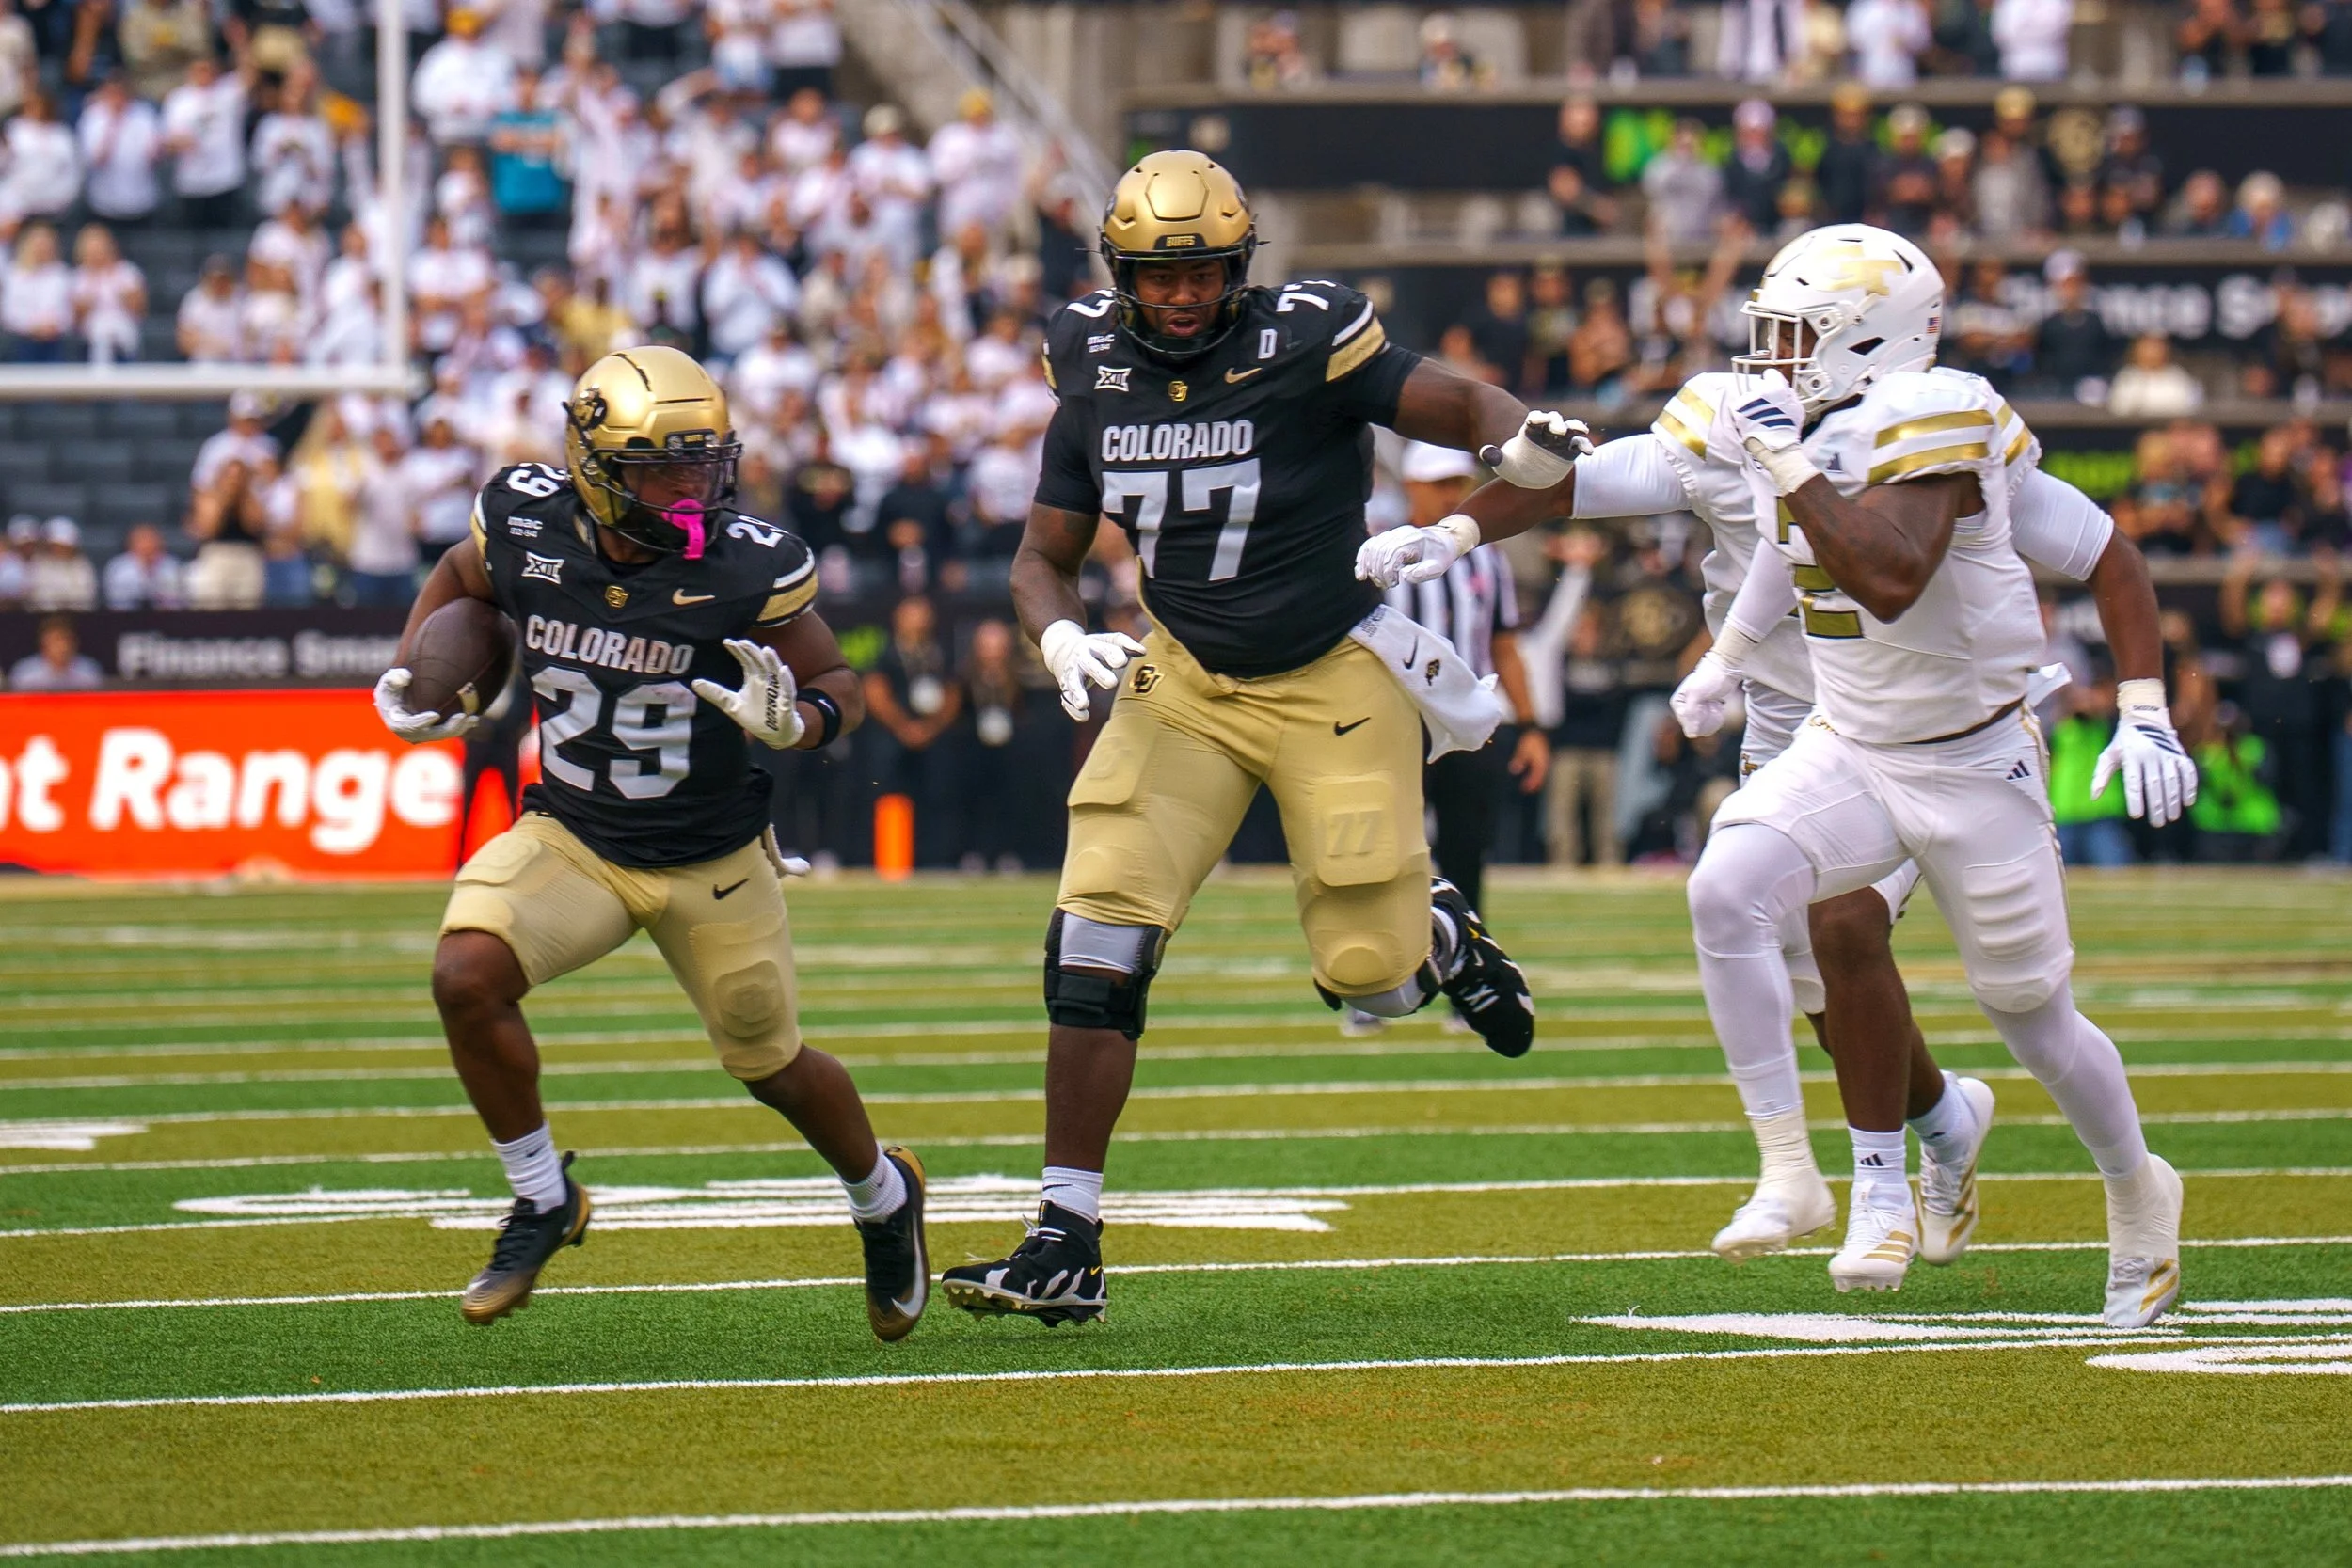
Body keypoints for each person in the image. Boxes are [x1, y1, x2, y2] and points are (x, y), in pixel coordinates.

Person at [939, 150, 1543, 1327]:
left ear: (1241, 265)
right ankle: (1064, 1234)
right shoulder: (1089, 359)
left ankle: (1434, 934)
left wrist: (1516, 448)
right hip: (1182, 679)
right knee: (1093, 942)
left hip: (1332, 672)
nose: (1181, 296)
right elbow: (1043, 555)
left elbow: (1474, 408)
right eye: (1158, 275)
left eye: (1204, 271)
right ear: (1119, 273)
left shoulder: (1307, 339)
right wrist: (1057, 636)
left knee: (1368, 975)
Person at [1614, 225, 2192, 1325]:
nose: (1773, 357)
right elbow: (1788, 552)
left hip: (1974, 763)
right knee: (1725, 888)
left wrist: (2143, 707)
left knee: (2032, 1016)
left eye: (1797, 335)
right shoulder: (1800, 428)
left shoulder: (1935, 413)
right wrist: (1724, 660)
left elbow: (1900, 572)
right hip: (1851, 744)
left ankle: (2136, 1186)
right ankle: (1796, 1171)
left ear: (1871, 339)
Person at [372, 345, 930, 1338]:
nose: (692, 488)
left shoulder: (747, 564)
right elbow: (462, 578)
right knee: (465, 973)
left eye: (704, 462)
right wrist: (422, 670)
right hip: (575, 835)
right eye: (663, 468)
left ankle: (884, 1197)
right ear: (595, 468)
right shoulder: (526, 521)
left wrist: (798, 722)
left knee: (771, 1063)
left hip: (710, 857)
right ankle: (542, 1196)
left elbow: (837, 684)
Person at [1345, 440, 1548, 1035]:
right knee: (1384, 851)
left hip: (1469, 724)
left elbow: (1504, 645)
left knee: (1466, 853)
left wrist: (1531, 726)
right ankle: (1374, 979)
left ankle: (1467, 980)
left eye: (1456, 483)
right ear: (1410, 486)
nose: (1449, 495)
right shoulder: (1374, 552)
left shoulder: (1486, 559)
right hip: (1393, 721)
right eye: (1437, 484)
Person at [8, 613, 102, 690]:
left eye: (66, 640)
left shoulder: (89, 671)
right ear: (43, 643)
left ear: (75, 643)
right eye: (56, 641)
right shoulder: (25, 673)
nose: (62, 646)